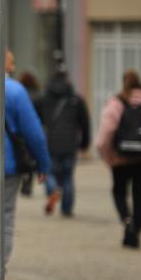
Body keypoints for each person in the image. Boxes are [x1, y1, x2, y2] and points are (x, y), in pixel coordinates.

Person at [96, 69, 141, 248]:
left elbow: (103, 137)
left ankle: (127, 220)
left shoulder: (116, 103)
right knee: (140, 197)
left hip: (120, 159)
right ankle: (135, 232)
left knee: (119, 193)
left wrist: (108, 156)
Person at [3, 50, 51, 276]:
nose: (14, 66)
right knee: (5, 218)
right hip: (7, 167)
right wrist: (43, 164)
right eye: (12, 62)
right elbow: (34, 133)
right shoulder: (15, 91)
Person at [38, 70, 90, 218]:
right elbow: (85, 123)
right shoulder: (76, 100)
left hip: (51, 143)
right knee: (67, 176)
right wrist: (84, 143)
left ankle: (53, 189)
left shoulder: (44, 99)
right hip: (70, 144)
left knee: (49, 172)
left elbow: (35, 120)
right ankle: (66, 209)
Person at [18, 71, 41, 197]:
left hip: (21, 131)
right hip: (33, 130)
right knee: (31, 158)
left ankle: (24, 181)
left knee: (23, 155)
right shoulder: (38, 95)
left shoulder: (20, 95)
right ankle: (28, 185)